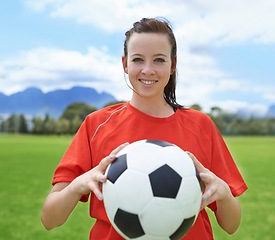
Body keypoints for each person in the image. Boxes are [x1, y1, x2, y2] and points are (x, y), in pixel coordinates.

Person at [41, 17, 247, 239]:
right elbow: (50, 219)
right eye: (138, 59)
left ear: (173, 65)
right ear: (125, 64)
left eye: (159, 60)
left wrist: (224, 194)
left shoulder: (201, 126)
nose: (148, 70)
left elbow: (231, 225)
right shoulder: (96, 124)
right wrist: (76, 186)